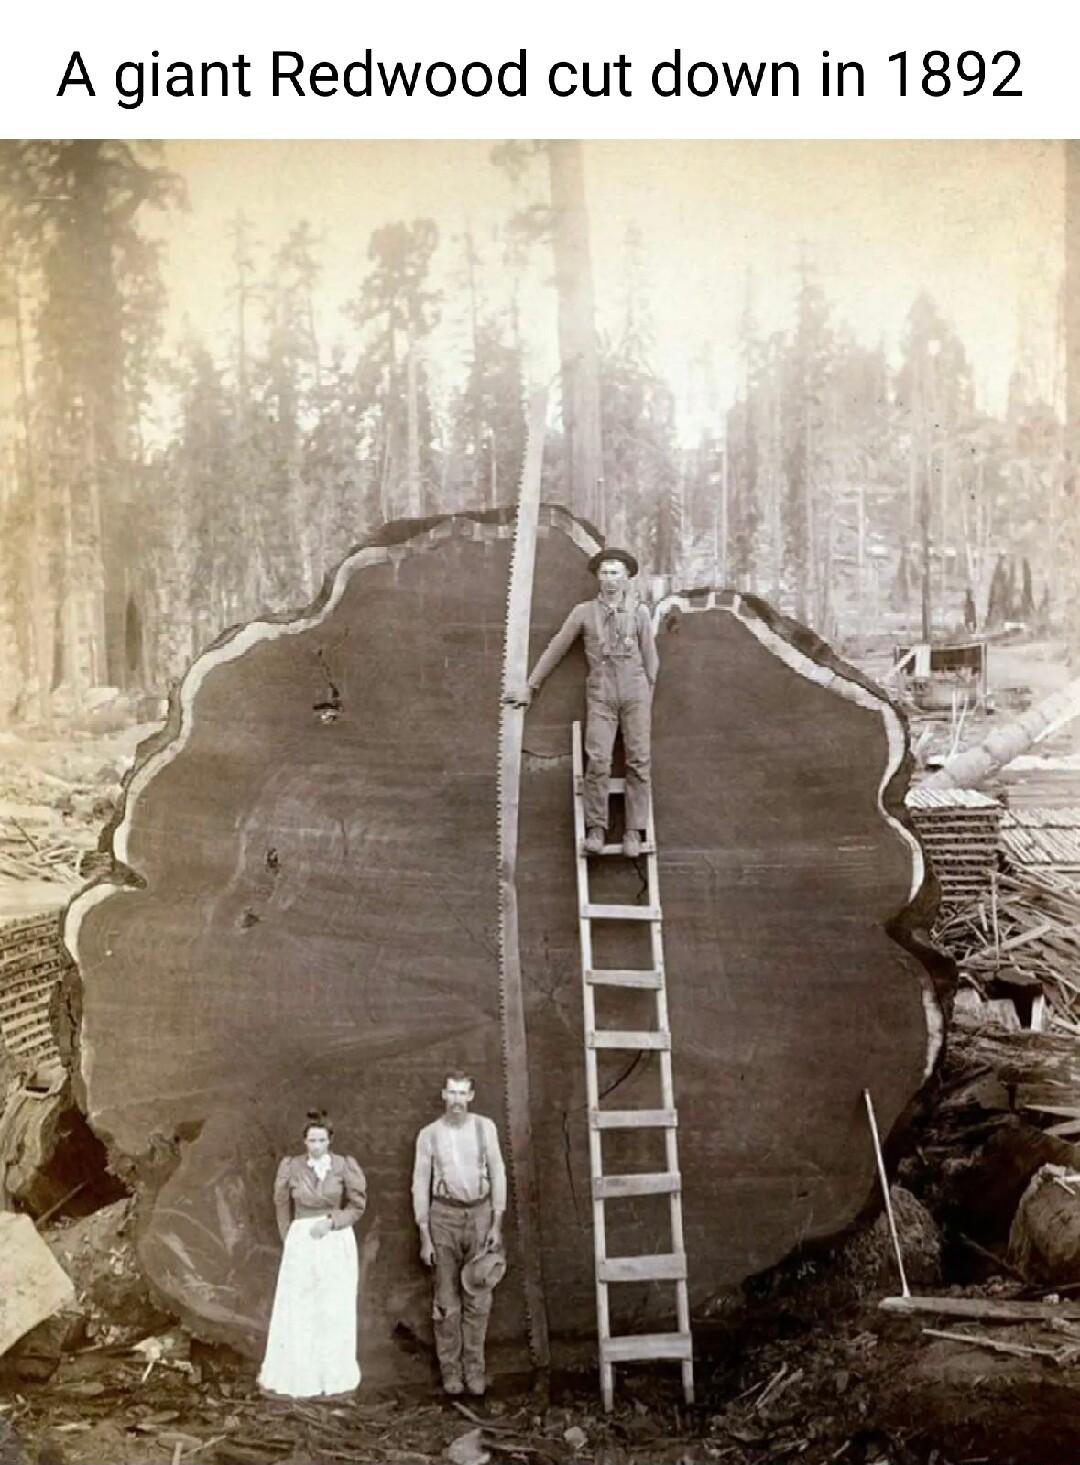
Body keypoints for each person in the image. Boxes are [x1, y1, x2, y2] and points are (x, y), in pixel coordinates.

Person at [509, 547, 658, 858]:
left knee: (638, 761)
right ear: (597, 577)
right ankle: (596, 828)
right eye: (604, 573)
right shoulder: (583, 612)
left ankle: (634, 830)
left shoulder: (640, 613)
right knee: (598, 759)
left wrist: (645, 699)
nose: (610, 579)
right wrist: (530, 687)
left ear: (627, 576)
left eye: (615, 572)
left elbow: (652, 662)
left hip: (635, 693)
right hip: (601, 694)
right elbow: (556, 649)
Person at [258, 1110, 367, 1398]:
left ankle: (332, 1376)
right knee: (301, 1308)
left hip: (335, 1240)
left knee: (333, 1307)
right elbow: (281, 1204)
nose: (316, 1145)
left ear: (330, 1140)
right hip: (303, 1242)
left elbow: (357, 1206)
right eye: (311, 1140)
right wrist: (292, 1238)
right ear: (304, 1142)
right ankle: (301, 1377)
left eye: (321, 1140)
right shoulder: (291, 1167)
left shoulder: (344, 1166)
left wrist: (332, 1222)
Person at [412, 1072, 507, 1398]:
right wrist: (424, 1232)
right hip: (443, 1218)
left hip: (480, 1215)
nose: (456, 1100)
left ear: (471, 1096)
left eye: (462, 1093)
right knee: (446, 1301)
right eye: (451, 1093)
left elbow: (498, 1173)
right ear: (443, 1095)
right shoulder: (429, 1135)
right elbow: (419, 1183)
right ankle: (451, 1374)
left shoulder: (485, 1127)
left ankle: (474, 1372)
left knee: (478, 1298)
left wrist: (497, 1222)